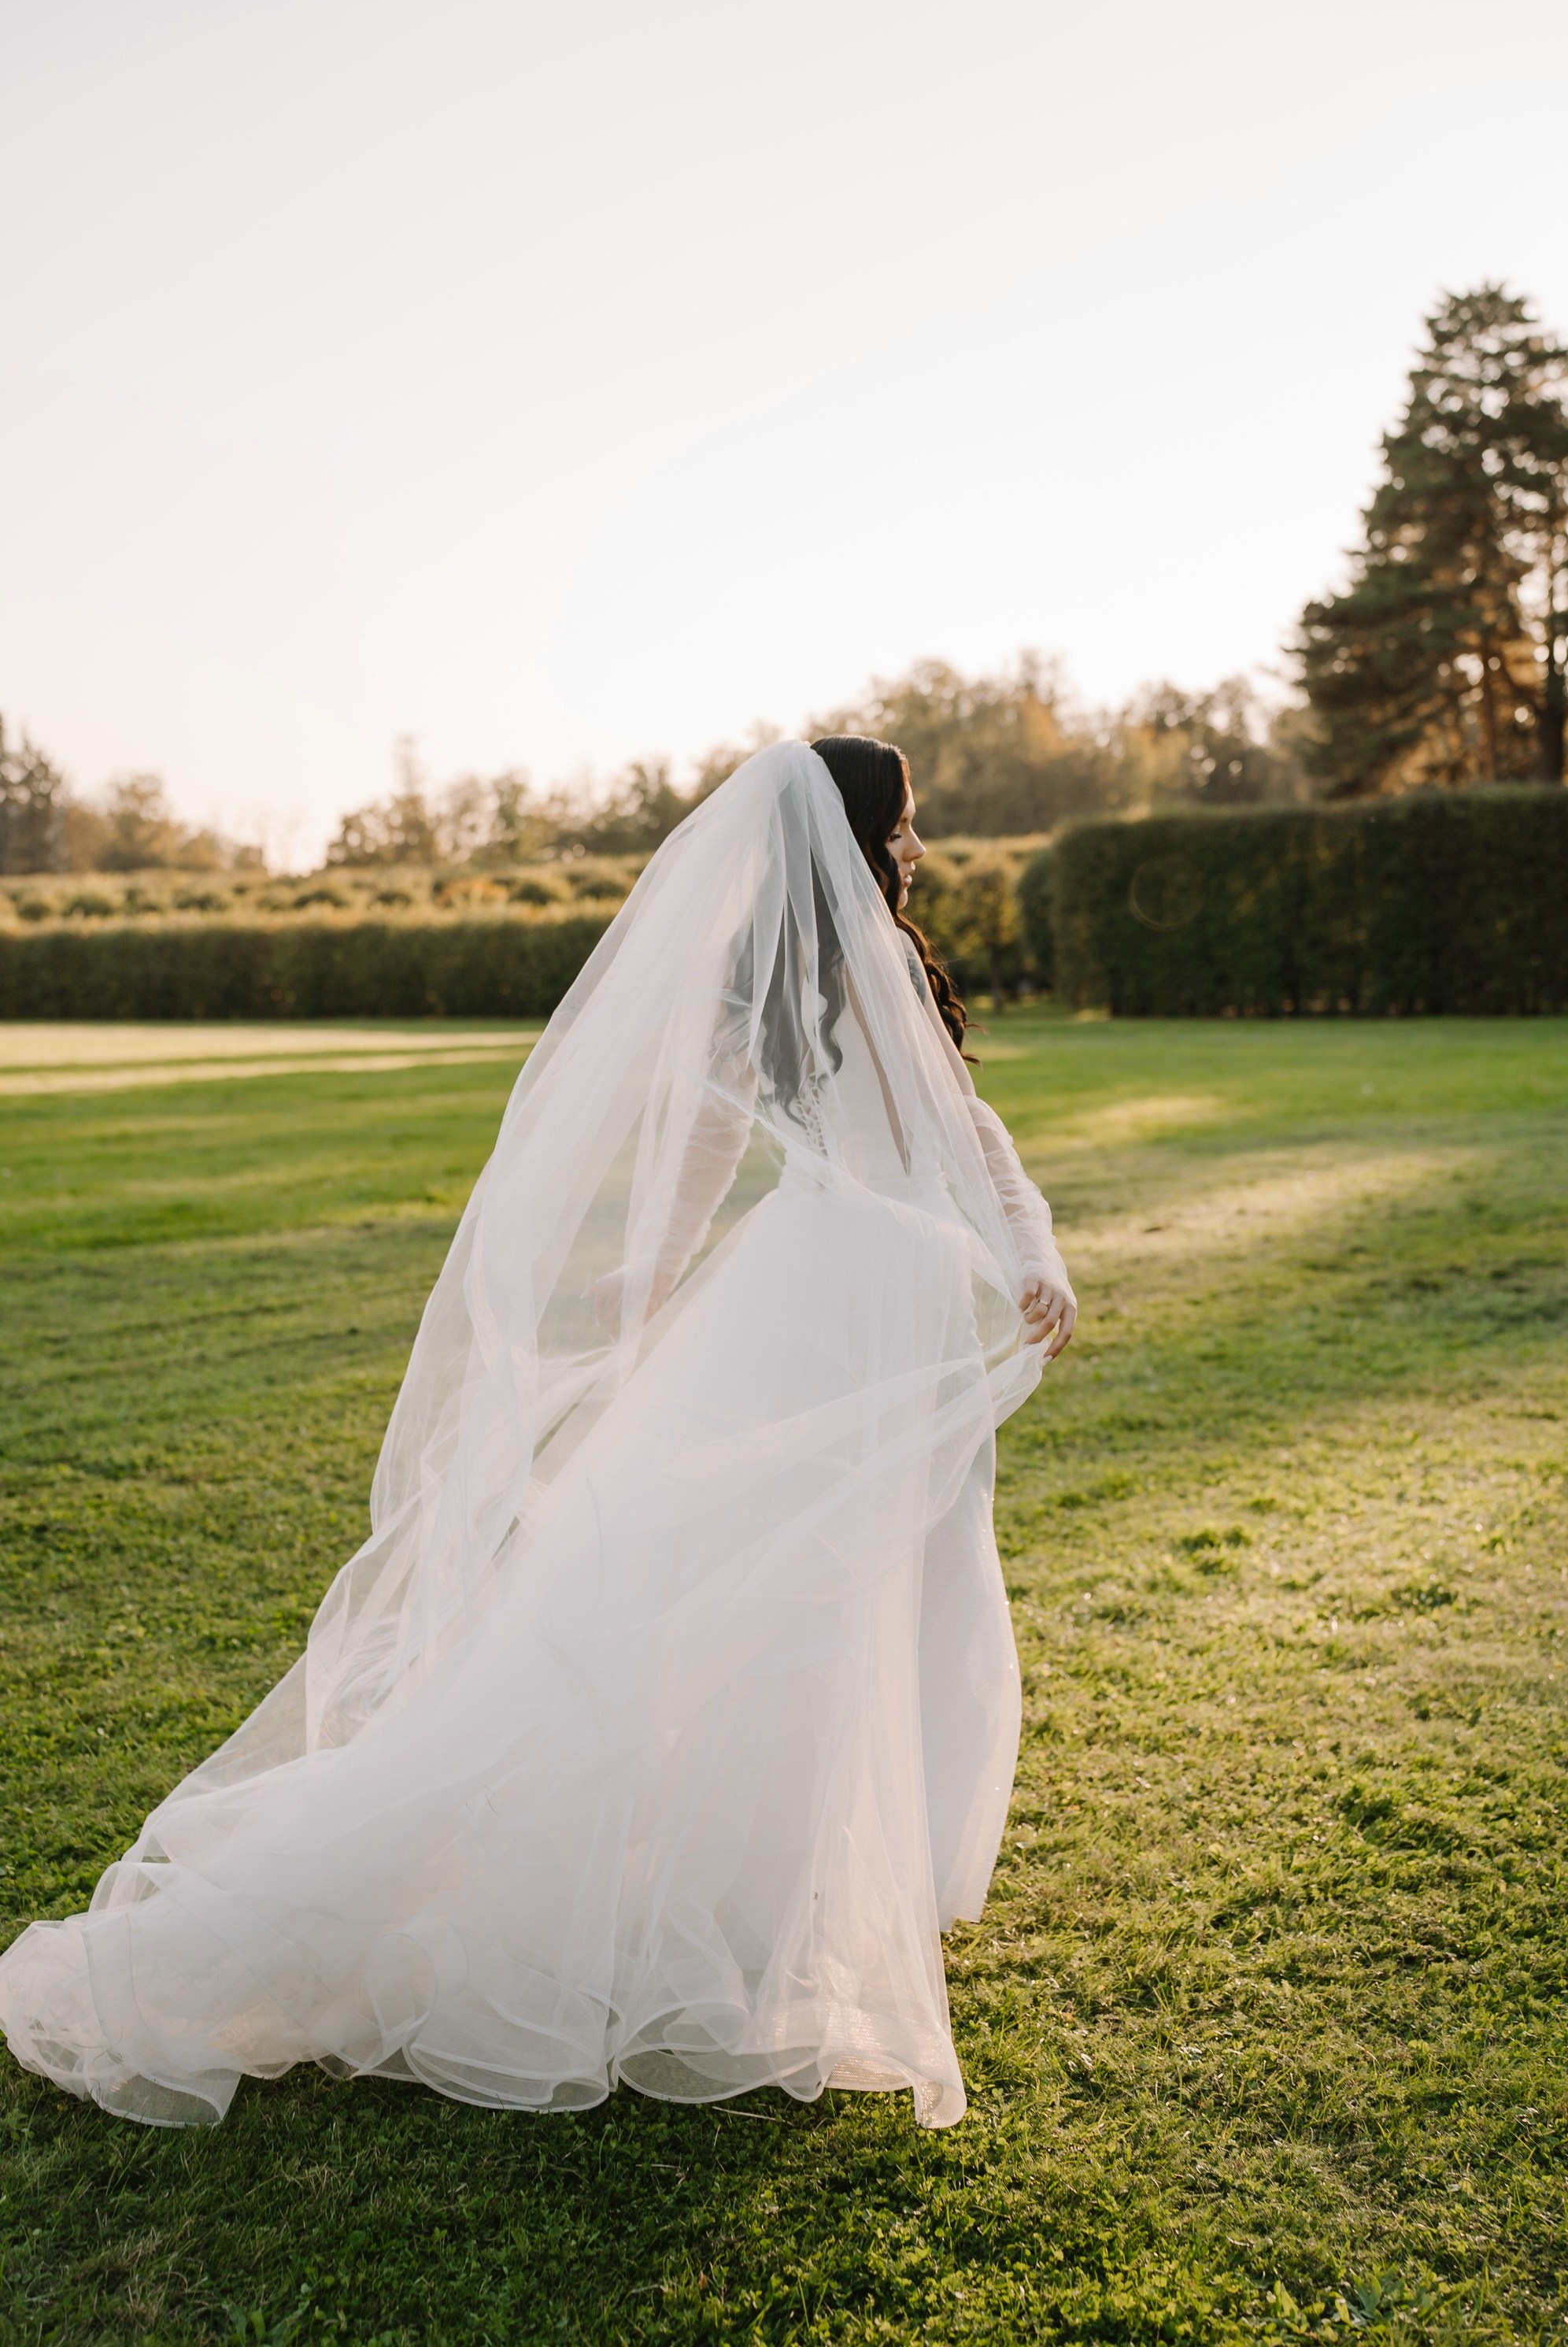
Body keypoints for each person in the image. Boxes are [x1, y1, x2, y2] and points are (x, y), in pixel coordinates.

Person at [0, 736, 1075, 2133]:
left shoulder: (898, 964)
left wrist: (1034, 1251)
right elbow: (709, 1143)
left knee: (908, 1579)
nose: (920, 847)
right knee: (786, 1596)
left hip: (899, 1301)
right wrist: (654, 1271)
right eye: (907, 826)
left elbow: (972, 1133)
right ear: (857, 834)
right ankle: (763, 1896)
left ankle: (847, 1874)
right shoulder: (771, 984)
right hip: (824, 1304)